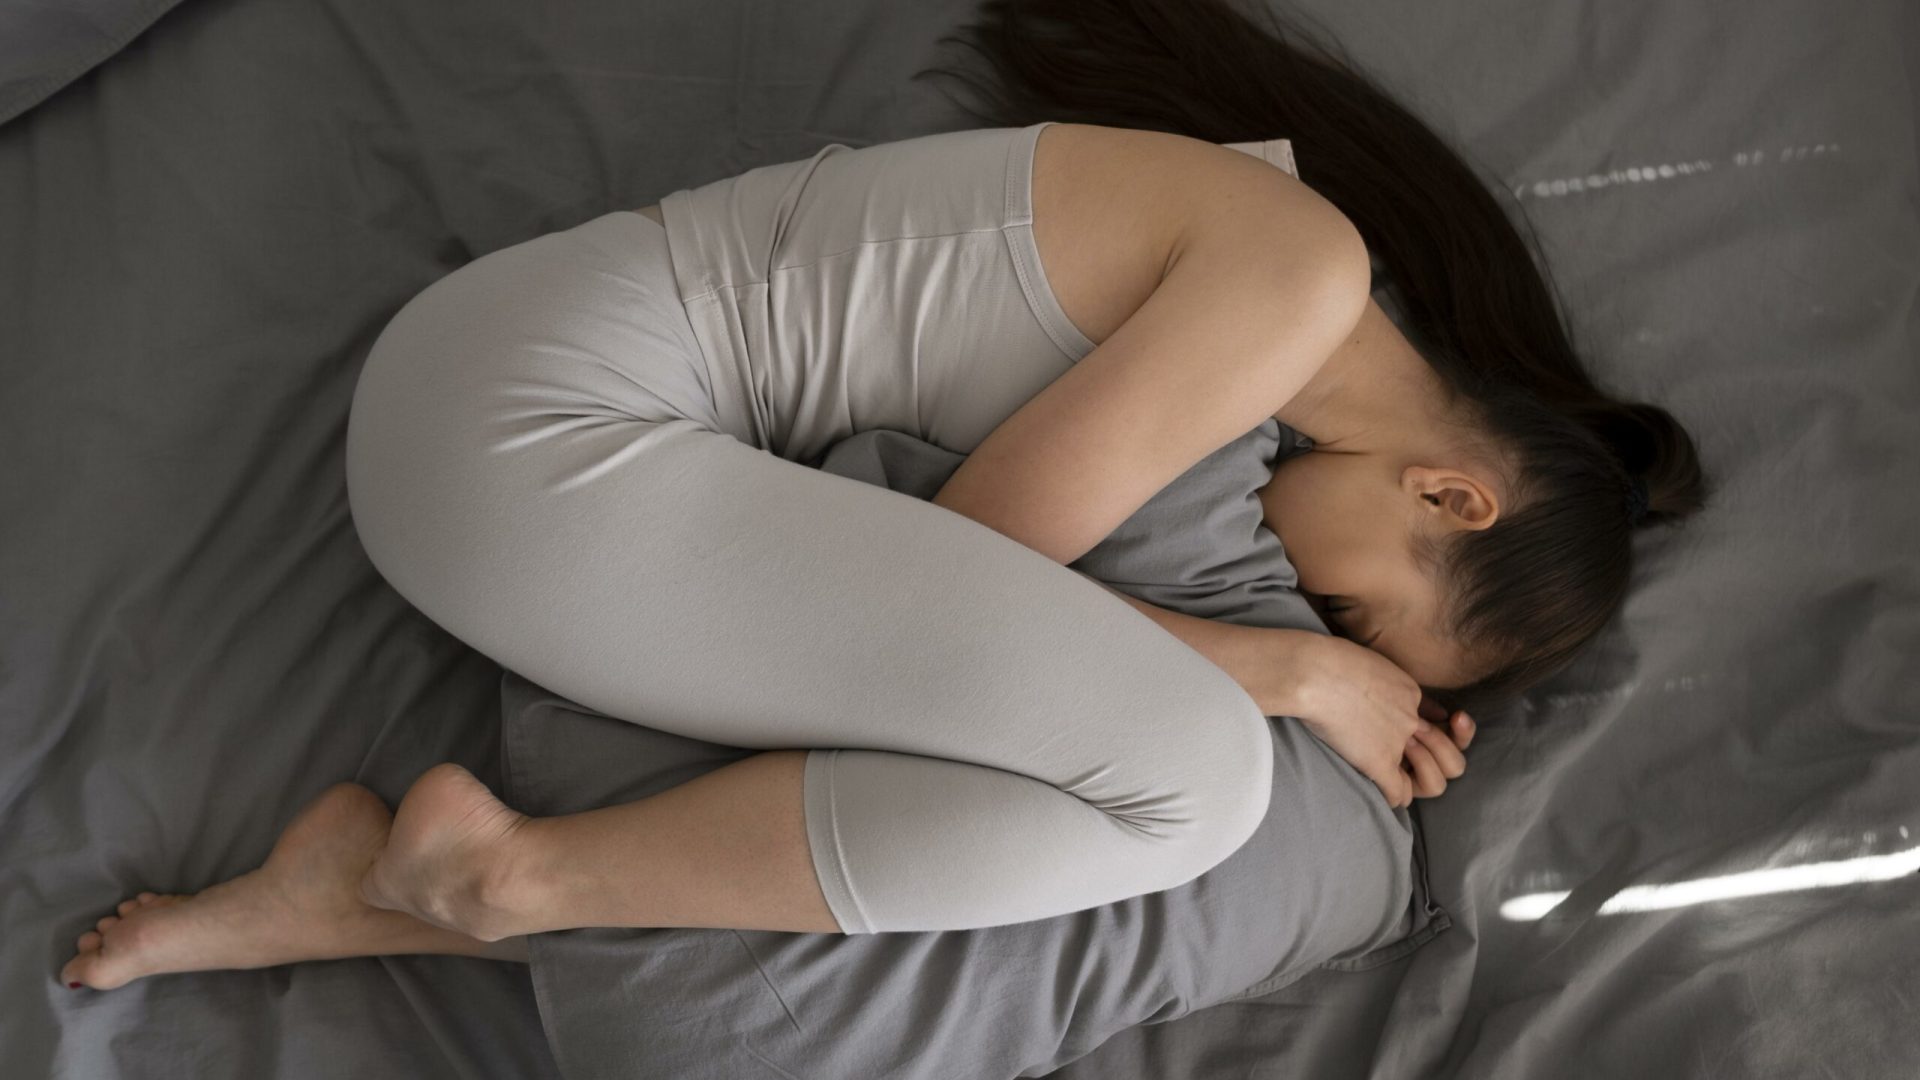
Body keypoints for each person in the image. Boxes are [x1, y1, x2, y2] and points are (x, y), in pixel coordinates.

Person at [61, 0, 1703, 992]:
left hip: (528, 452)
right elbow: (975, 578)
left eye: (1328, 624)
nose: (1302, 599)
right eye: (1363, 603)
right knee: (1197, 784)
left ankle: (374, 902)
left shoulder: (1277, 294)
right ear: (1455, 496)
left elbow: (933, 634)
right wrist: (1302, 677)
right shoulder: (1295, 279)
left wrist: (1310, 663)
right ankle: (503, 887)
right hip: (519, 438)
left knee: (931, 826)